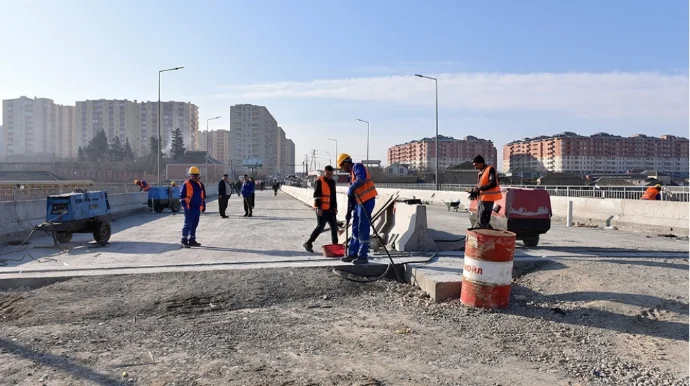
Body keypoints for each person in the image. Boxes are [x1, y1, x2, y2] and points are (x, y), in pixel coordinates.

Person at [337, 153, 377, 265]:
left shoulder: (357, 167)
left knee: (362, 228)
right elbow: (352, 198)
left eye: (341, 166)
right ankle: (352, 253)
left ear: (345, 162)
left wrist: (352, 187)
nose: (342, 169)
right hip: (359, 203)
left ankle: (363, 256)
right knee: (355, 228)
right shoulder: (351, 176)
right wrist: (349, 212)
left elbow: (362, 179)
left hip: (367, 201)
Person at [303, 166, 339, 253]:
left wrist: (335, 207)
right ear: (324, 172)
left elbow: (333, 196)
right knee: (320, 227)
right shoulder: (319, 181)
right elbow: (317, 196)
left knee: (334, 228)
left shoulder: (332, 182)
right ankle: (308, 243)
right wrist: (319, 208)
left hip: (331, 209)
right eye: (328, 173)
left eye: (331, 174)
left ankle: (335, 246)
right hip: (322, 209)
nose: (329, 175)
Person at [470, 155, 502, 229]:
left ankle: (483, 232)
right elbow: (480, 184)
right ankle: (481, 229)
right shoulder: (481, 172)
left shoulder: (490, 169)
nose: (475, 167)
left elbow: (492, 183)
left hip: (488, 199)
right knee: (480, 216)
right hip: (481, 198)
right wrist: (475, 190)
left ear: (481, 163)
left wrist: (480, 188)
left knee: (484, 217)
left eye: (476, 165)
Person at [179, 166, 206, 247]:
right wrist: (185, 207)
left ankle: (192, 240)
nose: (197, 178)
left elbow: (202, 196)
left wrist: (203, 205)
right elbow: (182, 197)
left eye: (198, 176)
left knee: (194, 224)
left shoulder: (199, 185)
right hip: (190, 208)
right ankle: (184, 240)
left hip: (197, 208)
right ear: (191, 176)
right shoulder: (186, 184)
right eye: (195, 176)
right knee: (188, 224)